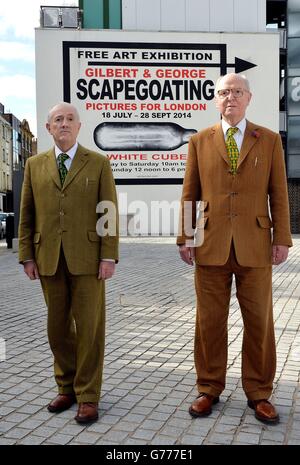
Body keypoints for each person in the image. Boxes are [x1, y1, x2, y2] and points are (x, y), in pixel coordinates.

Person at [177, 73, 292, 425]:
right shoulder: (199, 141)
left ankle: (259, 393)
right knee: (209, 322)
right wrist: (185, 237)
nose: (231, 98)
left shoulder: (269, 140)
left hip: (255, 245)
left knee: (259, 322)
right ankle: (208, 387)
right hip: (210, 244)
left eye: (237, 92)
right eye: (224, 92)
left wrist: (282, 238)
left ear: (249, 98)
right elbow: (190, 192)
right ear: (216, 100)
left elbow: (280, 193)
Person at [18, 102, 119, 424]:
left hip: (89, 259)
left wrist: (108, 255)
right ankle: (66, 386)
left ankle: (88, 395)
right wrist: (26, 255)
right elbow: (27, 215)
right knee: (57, 328)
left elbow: (108, 211)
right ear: (48, 128)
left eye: (70, 119)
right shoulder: (35, 165)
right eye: (58, 119)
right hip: (48, 258)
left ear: (79, 126)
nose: (64, 123)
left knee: (89, 329)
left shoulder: (98, 162)